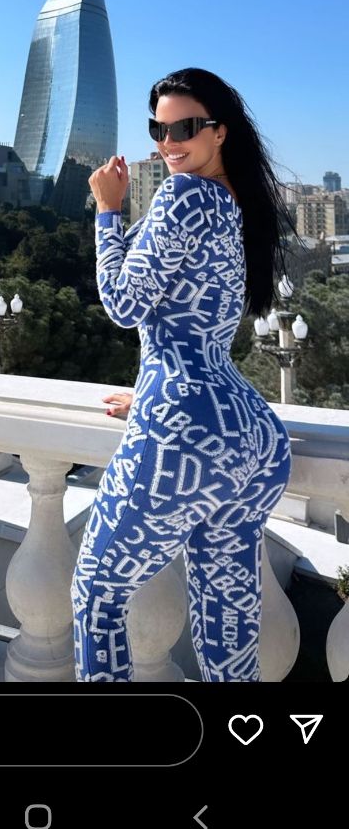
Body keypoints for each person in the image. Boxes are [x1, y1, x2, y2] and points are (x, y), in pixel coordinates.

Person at [70, 67, 295, 683]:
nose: (169, 143)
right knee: (225, 617)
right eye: (159, 130)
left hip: (186, 431)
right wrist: (150, 394)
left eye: (185, 128)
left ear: (219, 132)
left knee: (97, 595)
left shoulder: (184, 196)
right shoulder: (236, 203)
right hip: (252, 436)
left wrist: (108, 211)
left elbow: (124, 303)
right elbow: (198, 323)